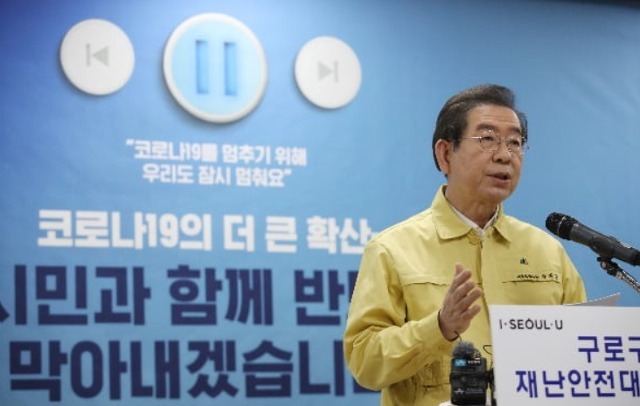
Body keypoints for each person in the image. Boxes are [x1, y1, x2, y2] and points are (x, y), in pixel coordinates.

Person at [343, 84, 586, 405]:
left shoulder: (547, 251)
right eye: (487, 139)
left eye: (515, 142)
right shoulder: (392, 249)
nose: (504, 155)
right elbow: (365, 362)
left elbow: (583, 351)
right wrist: (439, 327)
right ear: (445, 154)